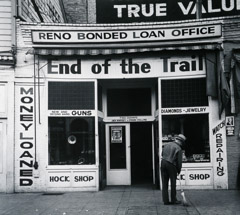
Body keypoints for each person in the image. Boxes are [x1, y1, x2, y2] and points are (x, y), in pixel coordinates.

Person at [161, 134, 187, 205]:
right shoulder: (179, 148)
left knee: (164, 182)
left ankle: (165, 200)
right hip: (171, 165)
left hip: (163, 163)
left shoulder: (167, 144)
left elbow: (162, 154)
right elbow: (179, 162)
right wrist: (178, 170)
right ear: (180, 142)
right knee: (173, 183)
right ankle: (173, 200)